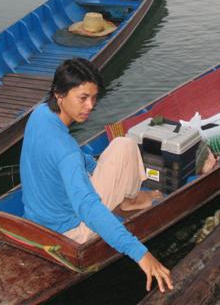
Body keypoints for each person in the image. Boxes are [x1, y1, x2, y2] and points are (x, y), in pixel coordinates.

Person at [20, 58, 174, 293]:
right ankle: (128, 201)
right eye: (83, 98)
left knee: (123, 144)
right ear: (59, 94)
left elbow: (71, 155)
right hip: (71, 232)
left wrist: (93, 166)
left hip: (34, 220)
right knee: (126, 146)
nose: (90, 105)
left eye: (94, 98)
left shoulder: (40, 114)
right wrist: (142, 254)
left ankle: (127, 200)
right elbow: (87, 207)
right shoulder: (66, 151)